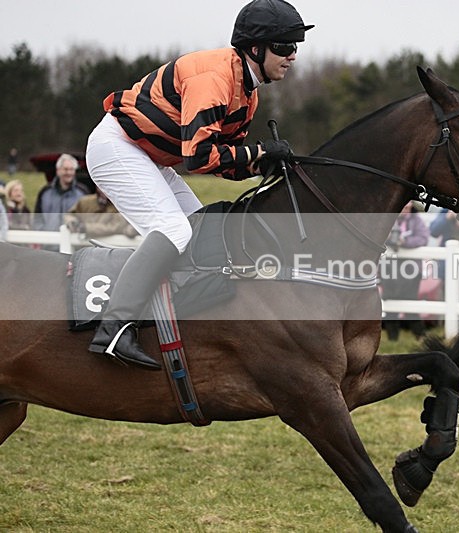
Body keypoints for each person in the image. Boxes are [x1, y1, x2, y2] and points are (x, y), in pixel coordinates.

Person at [83, 0, 313, 370]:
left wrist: (262, 164)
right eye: (285, 47)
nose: (293, 57)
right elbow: (200, 157)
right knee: (174, 230)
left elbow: (224, 161)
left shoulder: (247, 91)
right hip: (118, 147)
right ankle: (113, 329)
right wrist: (258, 152)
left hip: (151, 155)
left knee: (199, 228)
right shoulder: (215, 78)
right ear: (256, 48)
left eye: (295, 47)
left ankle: (175, 322)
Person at [381, 201, 430, 340]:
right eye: (404, 206)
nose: (406, 209)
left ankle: (420, 336)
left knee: (410, 301)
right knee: (390, 301)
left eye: (408, 207)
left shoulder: (416, 220)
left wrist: (404, 242)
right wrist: (390, 238)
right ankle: (392, 338)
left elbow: (423, 238)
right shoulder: (387, 219)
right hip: (389, 268)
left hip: (411, 269)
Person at [32, 153, 86, 234]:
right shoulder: (45, 192)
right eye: (65, 169)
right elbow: (38, 218)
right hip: (48, 242)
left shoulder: (82, 192)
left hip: (73, 243)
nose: (68, 173)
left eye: (71, 169)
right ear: (58, 171)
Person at [64, 189, 138, 239]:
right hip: (84, 247)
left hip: (109, 248)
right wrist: (72, 222)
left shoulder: (121, 205)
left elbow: (114, 227)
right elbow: (71, 214)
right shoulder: (85, 201)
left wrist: (86, 228)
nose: (104, 189)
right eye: (100, 184)